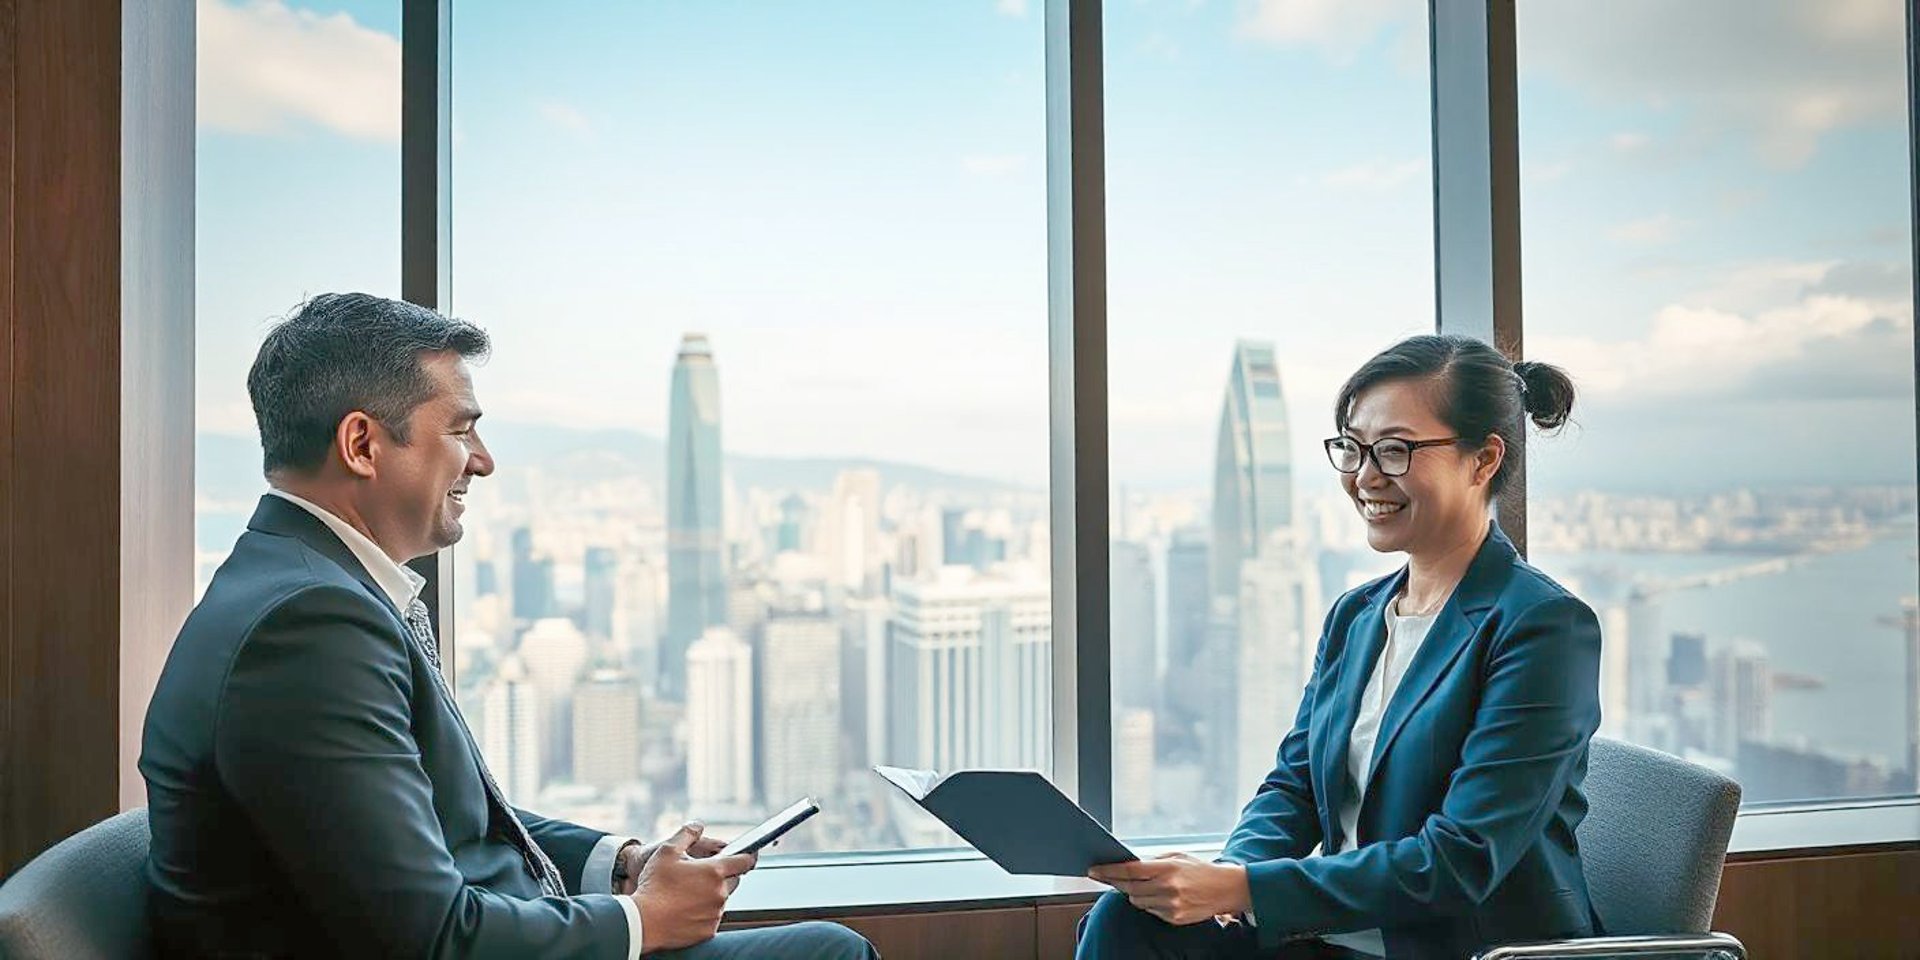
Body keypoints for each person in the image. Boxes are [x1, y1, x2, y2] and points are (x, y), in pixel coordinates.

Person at [141, 294, 875, 959]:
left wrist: (621, 865)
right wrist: (643, 920)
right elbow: (428, 938)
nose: (483, 463)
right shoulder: (308, 626)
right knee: (828, 954)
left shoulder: (299, 584)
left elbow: (432, 814)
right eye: (462, 431)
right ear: (363, 445)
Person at [1079, 335, 1600, 960]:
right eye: (1352, 449)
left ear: (1483, 459)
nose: (1365, 477)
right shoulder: (1357, 616)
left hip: (1459, 949)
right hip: (1336, 937)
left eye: (1395, 451)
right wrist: (1226, 880)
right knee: (1124, 919)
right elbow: (1295, 785)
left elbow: (1459, 860)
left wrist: (1242, 888)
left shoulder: (1542, 626)